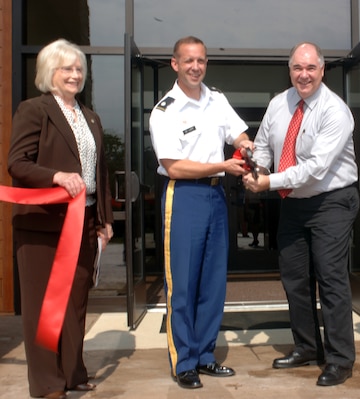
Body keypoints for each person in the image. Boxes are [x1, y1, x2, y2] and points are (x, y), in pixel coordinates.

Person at [243, 42, 359, 387]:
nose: (303, 75)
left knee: (331, 279)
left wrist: (267, 182)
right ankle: (307, 347)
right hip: (292, 203)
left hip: (331, 201)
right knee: (294, 279)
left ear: (322, 71)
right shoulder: (280, 103)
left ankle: (340, 359)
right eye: (297, 68)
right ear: (290, 70)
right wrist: (257, 166)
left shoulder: (334, 110)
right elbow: (264, 144)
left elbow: (315, 168)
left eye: (310, 68)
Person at [8, 39, 114, 399]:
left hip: (83, 224)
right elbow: (17, 163)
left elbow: (99, 172)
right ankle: (47, 384)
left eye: (79, 68)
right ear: (48, 72)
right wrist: (55, 176)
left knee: (75, 305)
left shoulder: (91, 116)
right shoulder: (33, 110)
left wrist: (104, 219)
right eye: (66, 68)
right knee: (43, 309)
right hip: (42, 226)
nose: (75, 74)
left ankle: (72, 373)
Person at [148, 36, 252, 390]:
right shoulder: (166, 109)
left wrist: (245, 145)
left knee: (213, 282)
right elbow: (173, 166)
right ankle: (185, 362)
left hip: (216, 197)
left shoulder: (216, 99)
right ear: (175, 64)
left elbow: (237, 132)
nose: (196, 67)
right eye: (189, 61)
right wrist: (221, 164)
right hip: (184, 197)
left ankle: (206, 356)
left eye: (201, 61)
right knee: (183, 283)